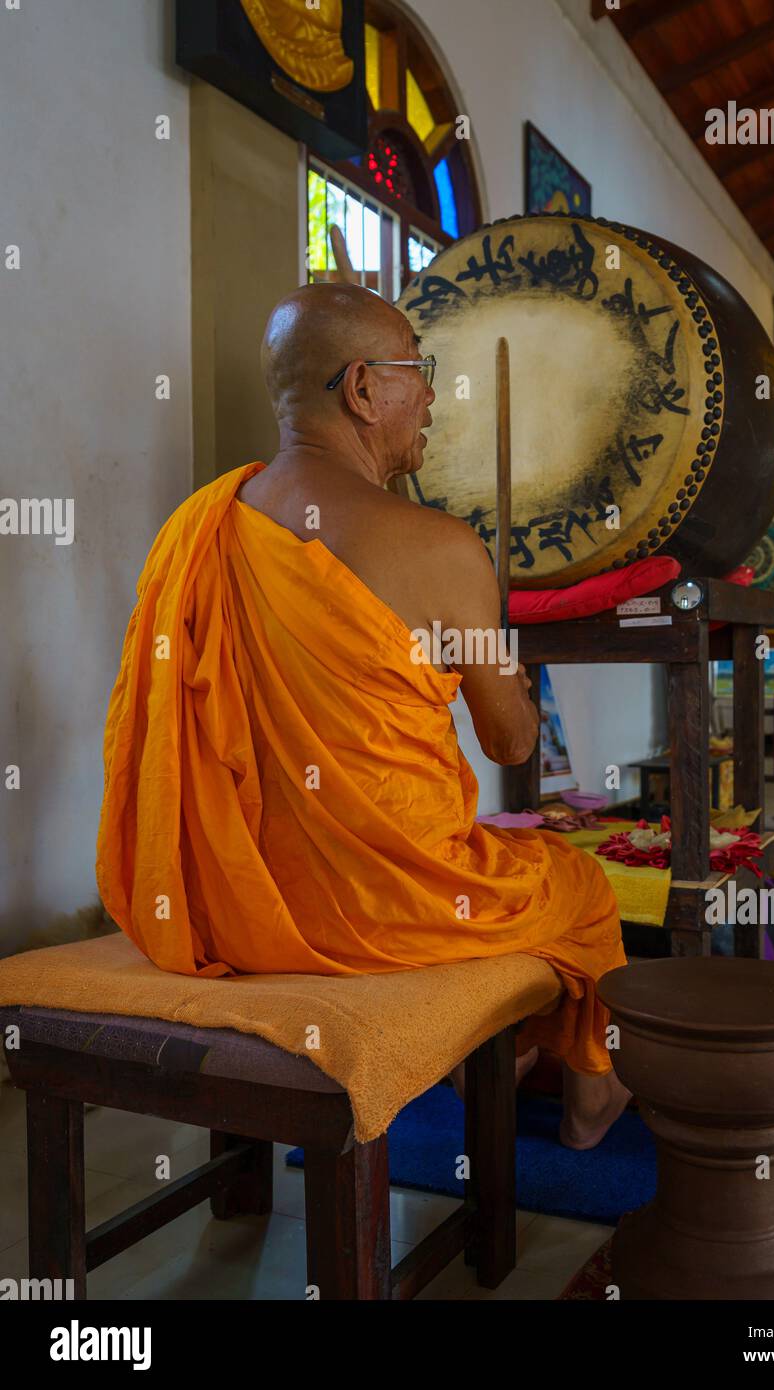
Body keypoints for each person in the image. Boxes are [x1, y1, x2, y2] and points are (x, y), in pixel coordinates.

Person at [96, 282, 630, 1148]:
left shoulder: (196, 530)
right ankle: (592, 1092)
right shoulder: (442, 548)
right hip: (394, 910)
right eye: (418, 371)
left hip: (226, 911)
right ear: (363, 390)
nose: (429, 396)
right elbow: (512, 738)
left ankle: (484, 1056)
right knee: (579, 882)